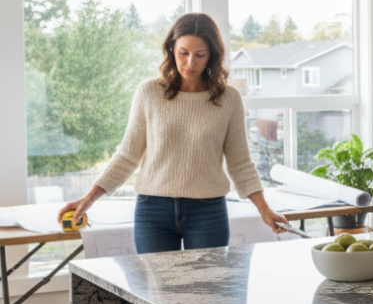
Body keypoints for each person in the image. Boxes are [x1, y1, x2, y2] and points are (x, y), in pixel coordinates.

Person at [57, 13, 289, 254]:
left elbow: (240, 163)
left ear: (212, 55)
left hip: (208, 211)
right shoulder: (149, 92)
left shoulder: (228, 99)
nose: (190, 63)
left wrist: (265, 210)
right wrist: (88, 199)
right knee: (156, 281)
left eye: (200, 55)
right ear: (171, 49)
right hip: (153, 210)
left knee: (208, 280)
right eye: (183, 53)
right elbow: (127, 155)